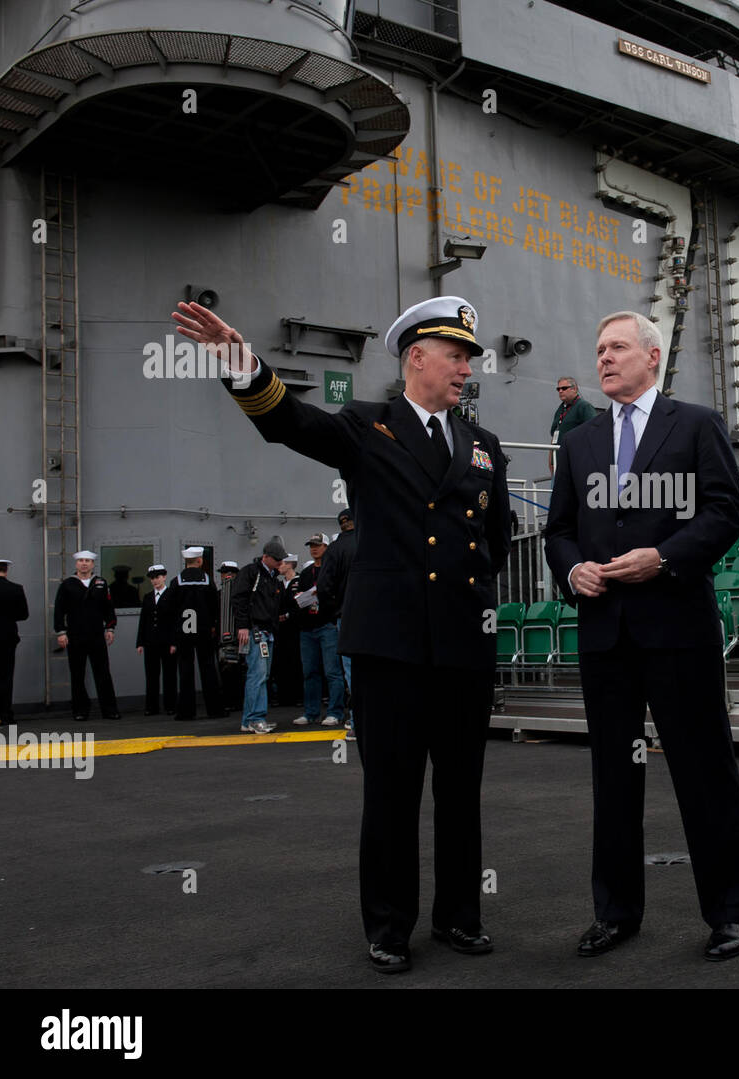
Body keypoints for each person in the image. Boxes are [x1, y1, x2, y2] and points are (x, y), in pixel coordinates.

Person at [174, 294, 511, 976]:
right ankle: (389, 925)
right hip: (389, 647)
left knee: (461, 790)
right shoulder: (367, 426)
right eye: (455, 356)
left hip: (461, 648)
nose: (466, 369)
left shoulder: (485, 447)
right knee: (390, 792)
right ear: (417, 357)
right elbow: (289, 423)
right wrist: (242, 365)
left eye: (470, 358)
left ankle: (459, 916)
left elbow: (496, 540)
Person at [544, 310, 739, 963]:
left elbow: (727, 512)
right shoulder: (580, 443)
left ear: (652, 357)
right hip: (605, 632)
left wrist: (662, 558)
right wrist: (572, 566)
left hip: (677, 627)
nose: (602, 358)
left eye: (616, 347)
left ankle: (729, 913)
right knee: (613, 776)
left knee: (703, 769)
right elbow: (558, 529)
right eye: (598, 348)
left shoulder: (695, 424)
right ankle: (615, 912)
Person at [53, 549, 120, 721]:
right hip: (75, 635)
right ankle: (80, 710)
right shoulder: (67, 584)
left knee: (103, 672)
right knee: (77, 674)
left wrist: (110, 628)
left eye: (87, 561)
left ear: (93, 564)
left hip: (97, 635)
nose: (84, 563)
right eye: (81, 560)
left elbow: (108, 608)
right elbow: (59, 610)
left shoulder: (101, 583)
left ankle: (110, 709)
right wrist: (61, 632)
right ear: (76, 564)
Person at [232, 541, 287, 735]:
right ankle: (255, 718)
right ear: (266, 557)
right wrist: (243, 626)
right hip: (257, 630)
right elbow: (239, 599)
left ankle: (251, 719)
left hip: (265, 630)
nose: (280, 563)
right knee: (258, 675)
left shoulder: (270, 576)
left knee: (260, 675)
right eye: (277, 559)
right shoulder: (251, 573)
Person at [167, 546, 225, 721]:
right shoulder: (207, 580)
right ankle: (215, 709)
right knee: (208, 669)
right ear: (199, 560)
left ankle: (186, 711)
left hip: (184, 631)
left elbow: (171, 608)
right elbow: (215, 605)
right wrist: (214, 625)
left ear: (187, 561)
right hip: (204, 630)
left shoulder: (176, 581)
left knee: (185, 670)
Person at [295, 532, 345, 728]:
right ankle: (311, 712)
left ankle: (335, 711)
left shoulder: (332, 569)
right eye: (311, 545)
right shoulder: (306, 573)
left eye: (317, 545)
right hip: (308, 626)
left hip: (326, 625)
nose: (313, 548)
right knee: (310, 672)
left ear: (326, 547)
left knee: (332, 671)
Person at [318, 511, 358, 738]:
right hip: (374, 615)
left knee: (351, 671)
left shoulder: (334, 549)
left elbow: (324, 587)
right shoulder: (369, 541)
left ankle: (357, 722)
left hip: (347, 616)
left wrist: (333, 608)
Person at [135, 564, 178, 716]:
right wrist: (140, 642)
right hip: (151, 642)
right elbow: (143, 621)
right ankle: (151, 706)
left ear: (164, 577)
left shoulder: (172, 595)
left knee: (169, 675)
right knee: (151, 675)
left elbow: (175, 621)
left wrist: (174, 642)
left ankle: (170, 705)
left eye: (158, 577)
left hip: (167, 642)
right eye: (152, 578)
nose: (155, 581)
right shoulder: (147, 597)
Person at [0, 558, 29, 725]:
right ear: (6, 571)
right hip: (8, 638)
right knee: (6, 677)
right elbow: (23, 615)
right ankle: (6, 715)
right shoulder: (16, 589)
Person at [272, 553, 305, 708]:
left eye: (282, 564)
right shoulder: (278, 585)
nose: (279, 567)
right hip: (280, 630)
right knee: (280, 662)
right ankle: (283, 696)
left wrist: (288, 615)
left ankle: (298, 695)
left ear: (290, 564)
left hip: (295, 628)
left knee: (296, 661)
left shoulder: (300, 582)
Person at [548, 375, 596, 474]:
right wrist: (551, 461)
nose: (560, 391)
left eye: (564, 388)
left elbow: (594, 433)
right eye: (558, 389)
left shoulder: (584, 407)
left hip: (576, 463)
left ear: (574, 389)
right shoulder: (560, 410)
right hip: (559, 464)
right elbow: (554, 437)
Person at [217, 560, 245, 713]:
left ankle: (237, 700)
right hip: (224, 637)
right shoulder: (220, 594)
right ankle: (229, 700)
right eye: (223, 573)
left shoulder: (240, 593)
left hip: (237, 636)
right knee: (226, 670)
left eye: (229, 573)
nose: (226, 576)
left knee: (237, 671)